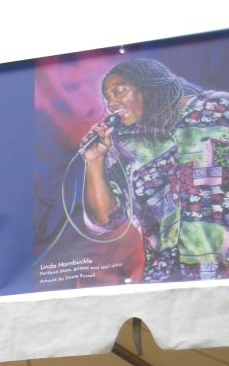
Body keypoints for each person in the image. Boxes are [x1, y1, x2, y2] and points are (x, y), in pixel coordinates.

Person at [82, 58, 229, 281]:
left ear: (150, 85)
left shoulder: (219, 110)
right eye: (107, 98)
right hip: (164, 283)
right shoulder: (120, 143)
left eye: (118, 91)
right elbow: (106, 220)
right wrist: (94, 162)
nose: (111, 104)